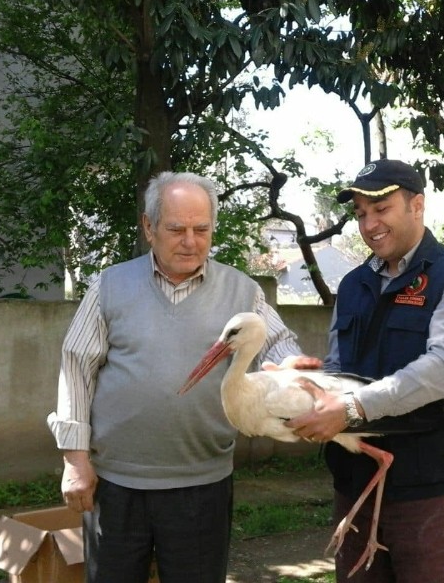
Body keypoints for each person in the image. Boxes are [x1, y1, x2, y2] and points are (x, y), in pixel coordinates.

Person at [47, 171, 319, 583]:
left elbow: (278, 345)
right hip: (117, 485)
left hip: (201, 484)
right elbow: (76, 368)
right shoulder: (110, 285)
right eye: (176, 229)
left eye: (201, 229)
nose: (191, 241)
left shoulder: (241, 290)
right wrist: (75, 461)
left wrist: (295, 369)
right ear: (149, 227)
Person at [287, 158, 444, 582]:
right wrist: (297, 388)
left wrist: (353, 408)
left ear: (417, 205)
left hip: (427, 492)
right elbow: (340, 370)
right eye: (361, 214)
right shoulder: (353, 284)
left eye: (382, 209)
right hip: (355, 488)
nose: (369, 224)